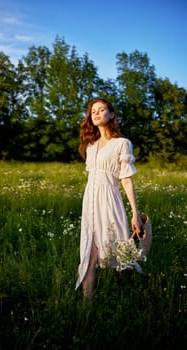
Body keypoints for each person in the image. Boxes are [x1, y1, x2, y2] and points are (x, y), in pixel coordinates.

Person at [75, 97, 142, 299]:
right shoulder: (90, 145)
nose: (95, 113)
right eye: (93, 111)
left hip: (110, 201)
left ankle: (130, 299)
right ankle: (86, 310)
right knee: (89, 254)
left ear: (111, 114)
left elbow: (126, 180)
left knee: (121, 249)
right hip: (90, 202)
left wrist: (135, 214)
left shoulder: (122, 143)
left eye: (101, 109)